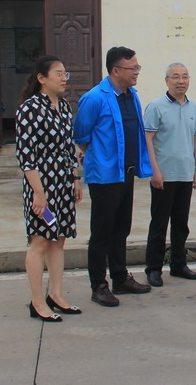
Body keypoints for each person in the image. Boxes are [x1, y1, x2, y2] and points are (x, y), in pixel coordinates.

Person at [74, 46, 153, 307]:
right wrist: (99, 157)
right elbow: (81, 135)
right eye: (133, 68)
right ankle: (98, 285)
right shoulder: (94, 98)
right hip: (105, 176)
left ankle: (120, 278)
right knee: (102, 233)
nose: (137, 72)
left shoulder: (132, 96)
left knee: (121, 229)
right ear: (116, 70)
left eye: (138, 67)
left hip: (126, 171)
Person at [16, 55, 83, 322]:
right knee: (40, 240)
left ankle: (55, 294)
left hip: (63, 182)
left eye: (65, 73)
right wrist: (38, 193)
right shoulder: (29, 109)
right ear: (41, 78)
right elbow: (26, 156)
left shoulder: (64, 106)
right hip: (40, 184)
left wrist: (75, 179)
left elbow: (69, 147)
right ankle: (37, 301)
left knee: (59, 238)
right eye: (58, 73)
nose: (64, 78)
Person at [143, 63, 196, 287]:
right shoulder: (156, 107)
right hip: (164, 176)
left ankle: (179, 265)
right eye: (176, 77)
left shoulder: (193, 107)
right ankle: (153, 269)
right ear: (167, 80)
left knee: (181, 224)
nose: (181, 81)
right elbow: (147, 140)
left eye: (185, 76)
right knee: (159, 225)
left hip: (186, 175)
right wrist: (154, 171)